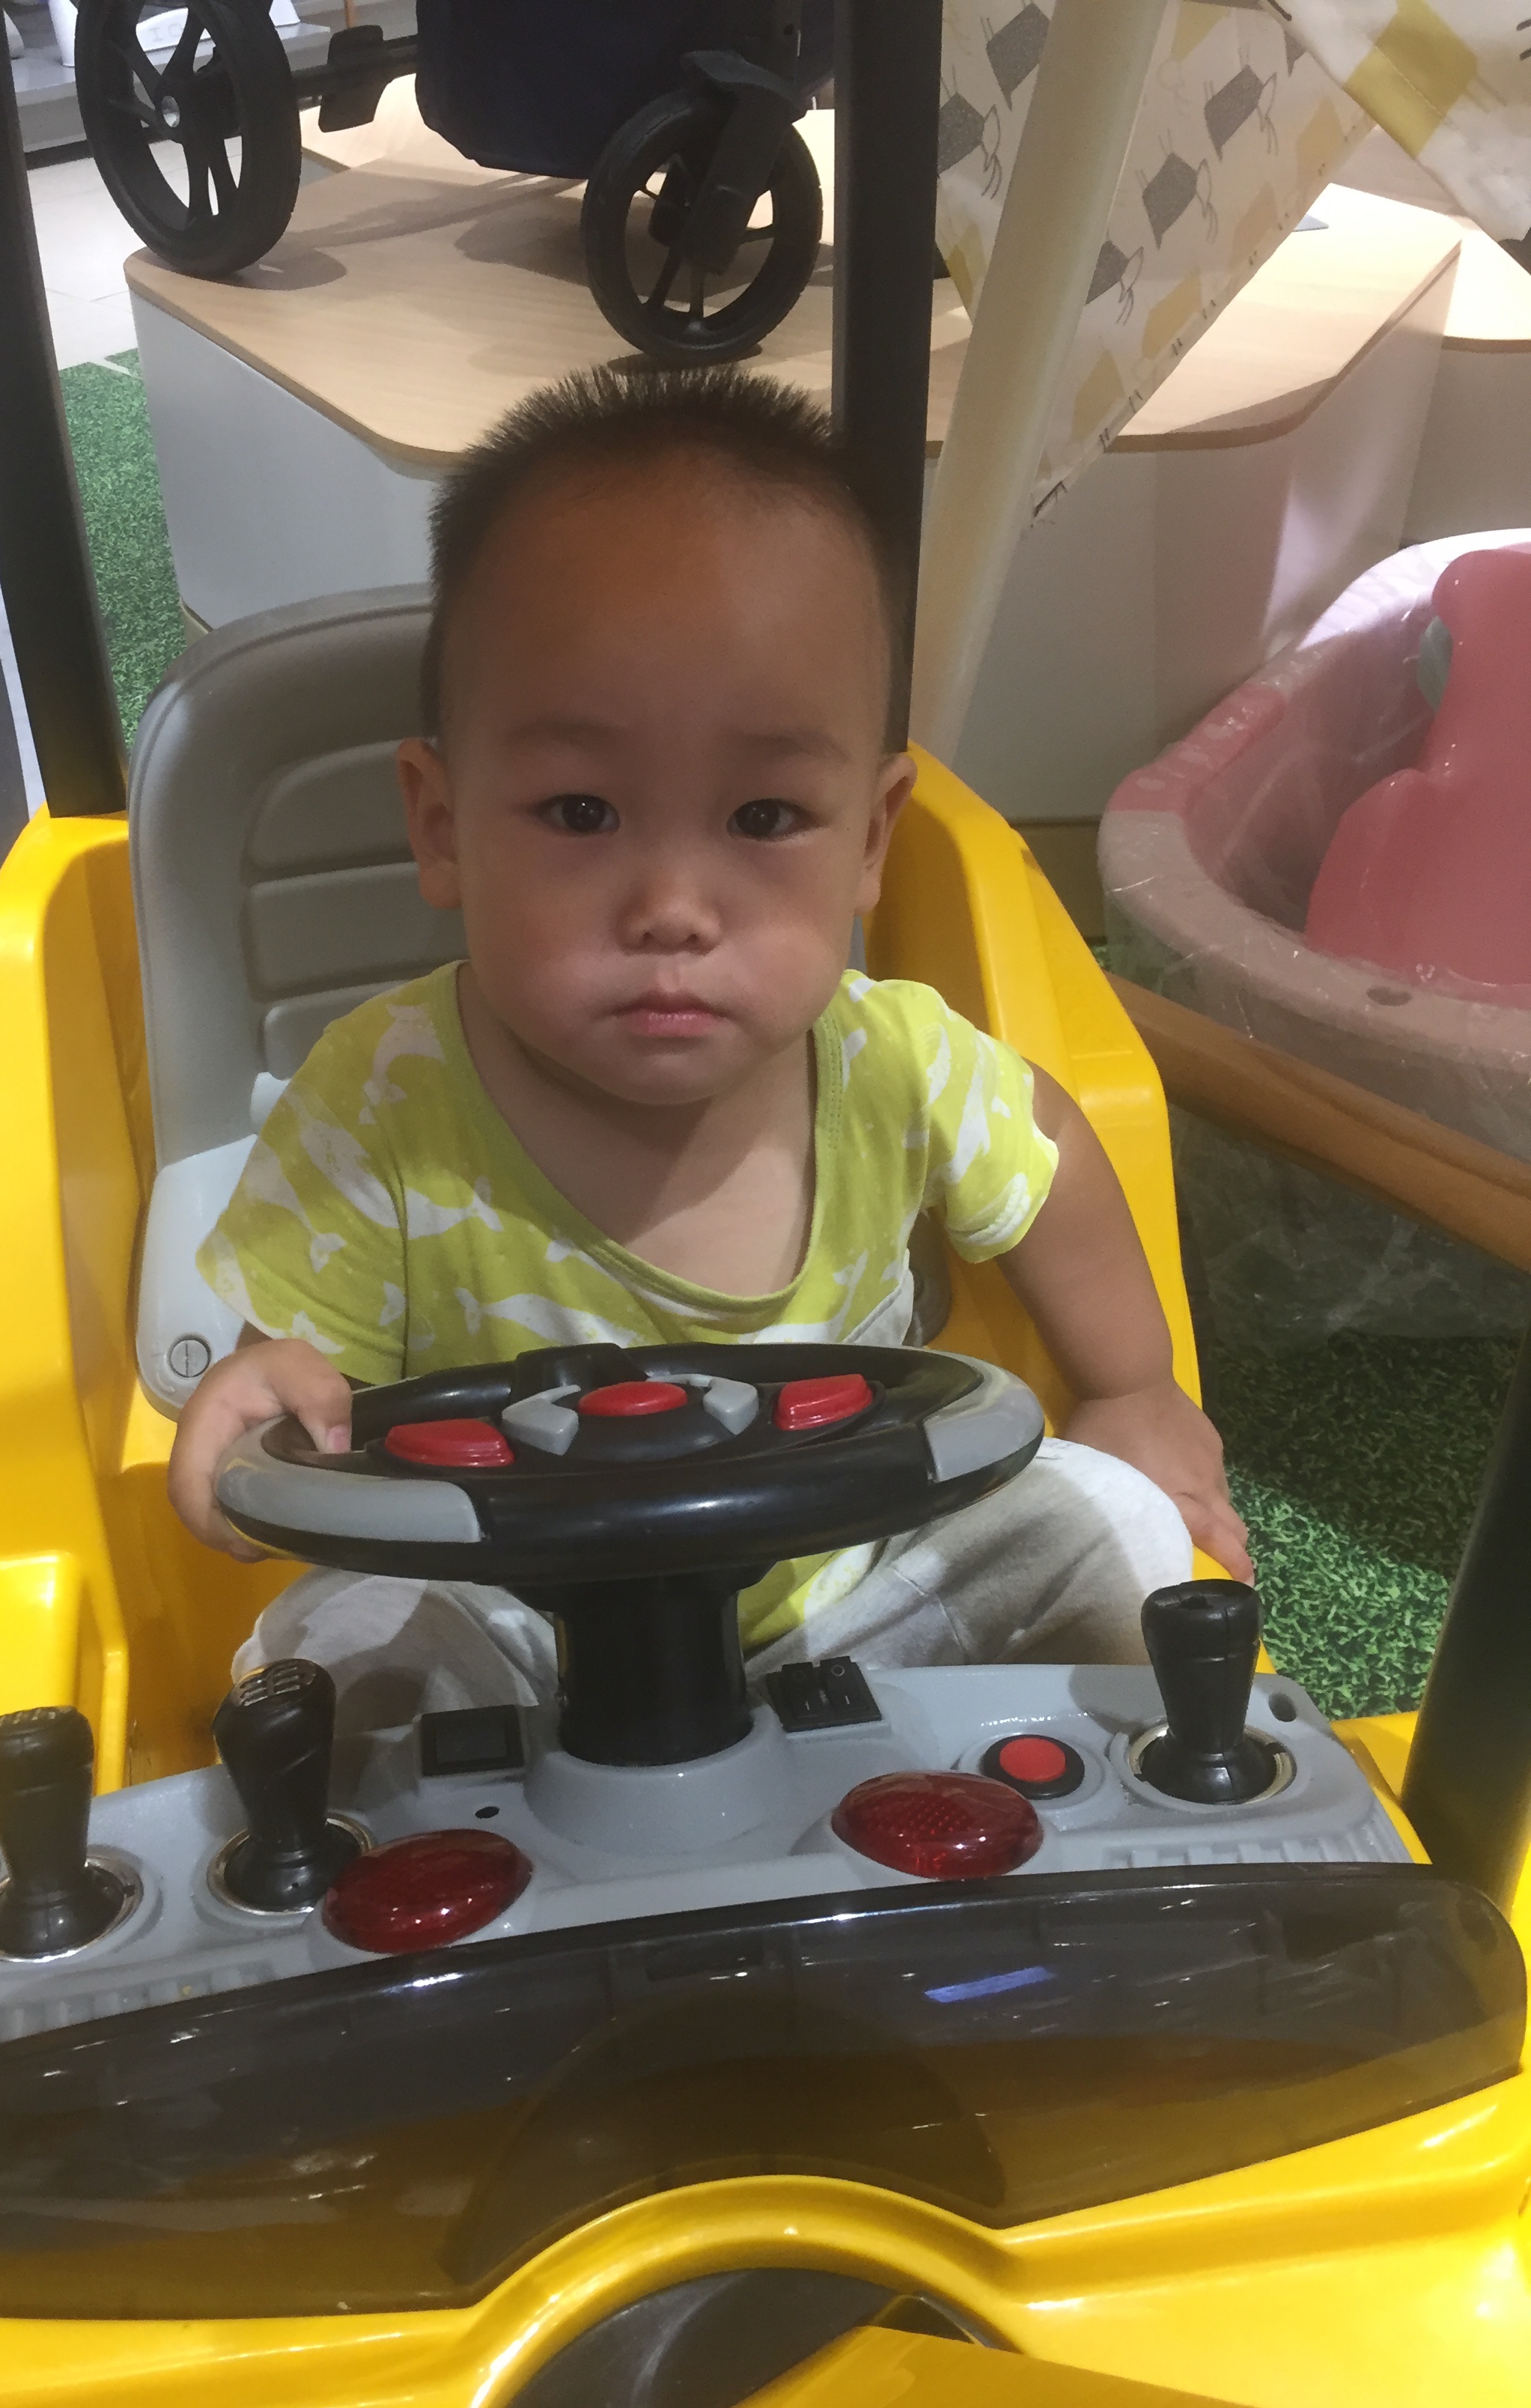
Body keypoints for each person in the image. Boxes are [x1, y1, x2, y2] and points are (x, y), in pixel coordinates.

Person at [168, 365, 1247, 1725]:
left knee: (1112, 1521)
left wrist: (1133, 1383)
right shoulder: (381, 1104)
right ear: (440, 825)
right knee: (330, 1646)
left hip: (863, 1614)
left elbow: (1051, 1148)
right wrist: (264, 1404)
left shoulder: (895, 1067)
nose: (673, 907)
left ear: (871, 837)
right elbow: (300, 1395)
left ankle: (1044, 1826)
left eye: (762, 818)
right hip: (529, 1663)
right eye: (581, 811)